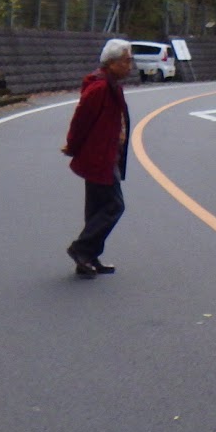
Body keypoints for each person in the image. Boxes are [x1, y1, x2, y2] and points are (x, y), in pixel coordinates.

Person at [63, 39, 133, 278]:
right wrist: (72, 146)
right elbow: (81, 120)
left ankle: (89, 258)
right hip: (99, 155)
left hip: (108, 153)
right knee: (114, 205)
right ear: (112, 63)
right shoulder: (100, 88)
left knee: (96, 208)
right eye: (126, 61)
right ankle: (81, 249)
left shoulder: (112, 86)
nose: (130, 66)